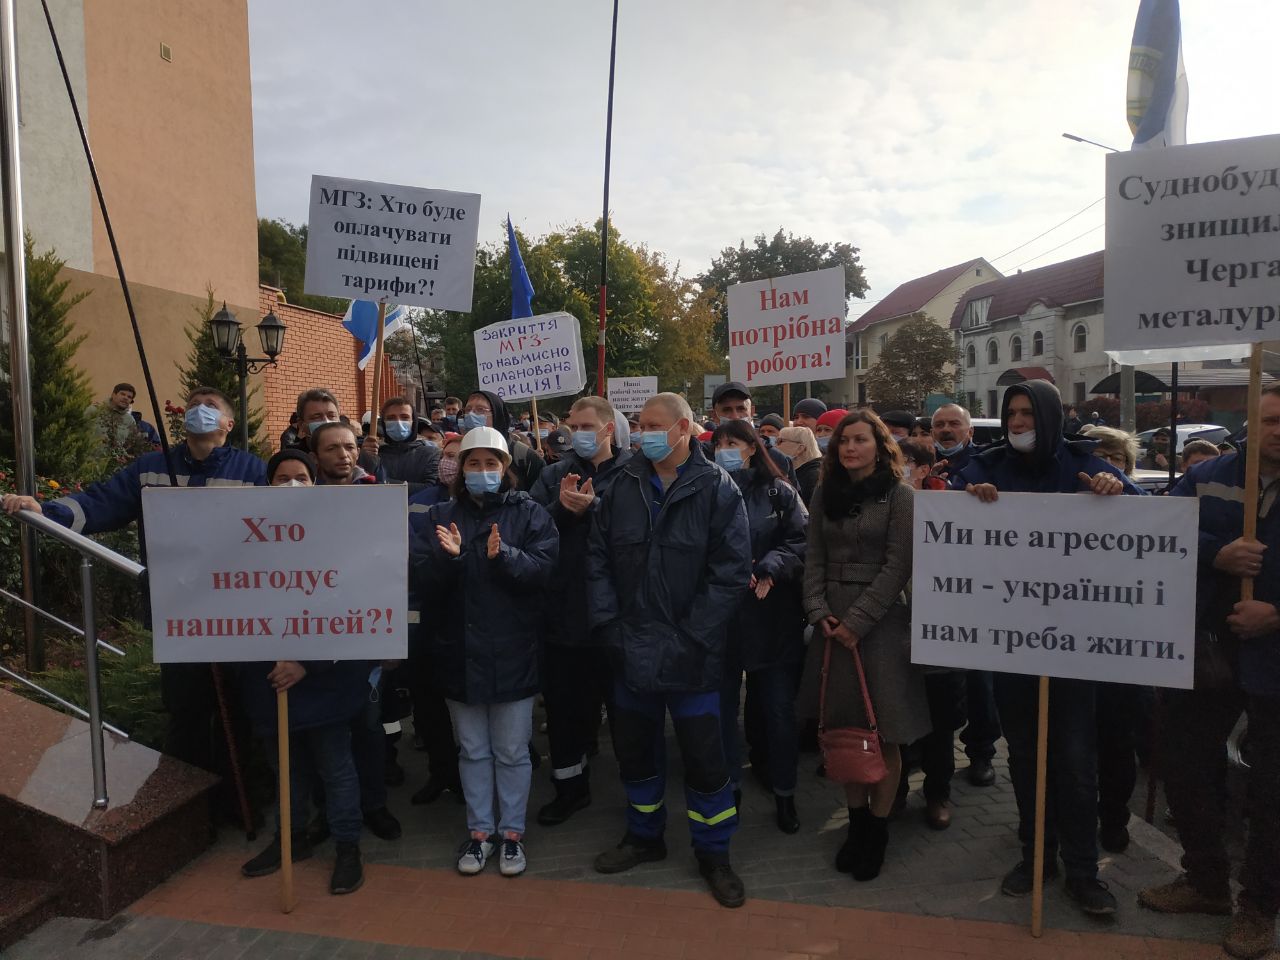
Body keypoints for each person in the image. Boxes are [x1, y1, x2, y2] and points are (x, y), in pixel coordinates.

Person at [951, 379, 1142, 917]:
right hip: (1012, 645)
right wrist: (968, 499)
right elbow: (946, 516)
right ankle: (1036, 857)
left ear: (1051, 416)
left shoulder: (1083, 464)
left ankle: (1083, 872)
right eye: (1011, 413)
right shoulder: (985, 466)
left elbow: (1148, 523)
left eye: (1028, 413)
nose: (1017, 423)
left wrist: (1114, 491)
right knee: (1026, 758)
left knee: (1076, 761)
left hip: (1075, 648)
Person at [3, 386, 266, 771]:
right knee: (185, 711)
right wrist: (46, 510)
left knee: (237, 714)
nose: (199, 410)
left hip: (236, 614)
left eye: (210, 406)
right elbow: (102, 501)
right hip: (177, 612)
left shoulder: (253, 470)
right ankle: (183, 796)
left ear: (228, 423)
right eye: (193, 405)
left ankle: (236, 795)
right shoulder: (149, 468)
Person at [586, 392, 751, 908]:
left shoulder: (717, 487)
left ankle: (714, 854)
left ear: (684, 429)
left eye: (654, 424)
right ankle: (644, 837)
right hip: (630, 650)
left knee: (705, 761)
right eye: (639, 424)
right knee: (635, 754)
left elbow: (730, 573)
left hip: (693, 656)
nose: (643, 433)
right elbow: (597, 561)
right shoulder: (621, 485)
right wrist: (610, 627)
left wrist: (691, 636)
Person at [1139, 383, 1280, 960]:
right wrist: (1215, 553)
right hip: (1208, 649)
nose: (1279, 431)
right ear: (1251, 424)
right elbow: (1162, 527)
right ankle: (1205, 881)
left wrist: (1277, 615)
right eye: (1271, 419)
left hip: (1274, 658)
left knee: (1271, 791)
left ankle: (1260, 907)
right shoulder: (1209, 476)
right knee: (1185, 765)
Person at [411, 426, 559, 877]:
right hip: (458, 652)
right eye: (473, 463)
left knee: (512, 750)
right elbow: (421, 578)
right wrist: (449, 558)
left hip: (513, 651)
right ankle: (480, 833)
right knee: (473, 750)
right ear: (461, 469)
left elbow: (543, 572)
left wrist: (505, 557)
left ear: (505, 467)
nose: (482, 471)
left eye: (490, 463)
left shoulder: (529, 513)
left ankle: (511, 833)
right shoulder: (439, 514)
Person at [797, 411, 929, 881]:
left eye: (860, 439)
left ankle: (877, 831)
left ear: (880, 446)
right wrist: (817, 609)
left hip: (882, 626)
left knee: (884, 733)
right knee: (844, 731)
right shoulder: (824, 492)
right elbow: (813, 556)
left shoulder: (900, 495)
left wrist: (858, 620)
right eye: (843, 441)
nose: (850, 448)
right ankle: (855, 827)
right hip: (831, 623)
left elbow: (900, 565)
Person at [239, 449, 367, 895]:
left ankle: (348, 847)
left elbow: (354, 605)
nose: (292, 484)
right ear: (267, 484)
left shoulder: (340, 534)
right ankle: (289, 841)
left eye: (301, 477)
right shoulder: (246, 539)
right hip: (270, 680)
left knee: (336, 770)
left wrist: (307, 663)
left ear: (315, 484)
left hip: (326, 683)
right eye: (282, 477)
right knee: (286, 771)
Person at [529, 398, 633, 825]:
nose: (578, 434)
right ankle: (570, 790)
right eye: (574, 426)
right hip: (565, 612)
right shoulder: (553, 474)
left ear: (609, 429)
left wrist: (597, 509)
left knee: (627, 712)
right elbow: (531, 528)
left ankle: (639, 794)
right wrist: (561, 510)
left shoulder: (635, 473)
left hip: (620, 614)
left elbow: (645, 528)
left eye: (587, 426)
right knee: (565, 710)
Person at [711, 419, 808, 834]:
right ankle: (729, 789)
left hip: (772, 618)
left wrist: (771, 565)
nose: (725, 450)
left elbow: (801, 540)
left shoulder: (778, 491)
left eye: (733, 442)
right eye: (719, 443)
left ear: (753, 447)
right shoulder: (706, 489)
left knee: (779, 713)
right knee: (721, 713)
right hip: (723, 619)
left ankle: (785, 793)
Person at [1073, 426, 1152, 853]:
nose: (1105, 466)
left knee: (1118, 741)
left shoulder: (1140, 503)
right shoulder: (1059, 505)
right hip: (1070, 647)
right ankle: (1071, 822)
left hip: (1121, 648)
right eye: (1097, 456)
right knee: (1073, 744)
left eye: (1115, 459)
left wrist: (1121, 488)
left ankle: (1115, 818)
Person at [893, 439, 962, 829]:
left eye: (903, 462)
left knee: (940, 722)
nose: (896, 468)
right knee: (897, 717)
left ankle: (938, 793)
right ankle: (896, 790)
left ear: (923, 469)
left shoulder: (950, 507)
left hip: (939, 629)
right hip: (893, 630)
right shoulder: (881, 505)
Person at [930, 402, 999, 783]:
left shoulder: (987, 465)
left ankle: (982, 752)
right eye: (939, 424)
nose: (946, 430)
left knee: (979, 679)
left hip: (978, 588)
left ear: (969, 431)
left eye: (954, 424)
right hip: (934, 586)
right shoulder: (920, 463)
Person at [406, 433, 464, 806]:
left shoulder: (478, 504)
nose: (450, 463)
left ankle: (469, 777)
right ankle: (440, 772)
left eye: (459, 456)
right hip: (423, 616)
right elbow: (409, 551)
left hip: (463, 619)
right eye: (447, 455)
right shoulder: (418, 501)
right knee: (427, 705)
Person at [709, 382, 798, 487]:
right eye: (727, 410)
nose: (735, 416)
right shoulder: (702, 457)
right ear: (714, 416)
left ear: (751, 412)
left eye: (741, 409)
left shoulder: (776, 459)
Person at [459, 390, 545, 491]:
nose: (471, 414)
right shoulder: (461, 451)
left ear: (497, 414)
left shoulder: (525, 456)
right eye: (468, 410)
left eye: (480, 410)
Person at [366, 396, 441, 486]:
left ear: (413, 421)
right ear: (383, 422)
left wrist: (383, 482)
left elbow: (430, 487)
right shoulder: (374, 452)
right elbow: (364, 484)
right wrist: (365, 458)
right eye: (391, 418)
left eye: (405, 417)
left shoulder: (431, 453)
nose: (398, 422)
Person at [312, 422, 378, 485]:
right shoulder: (307, 488)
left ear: (358, 453)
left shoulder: (376, 488)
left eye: (350, 447)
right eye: (331, 449)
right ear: (315, 458)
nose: (343, 455)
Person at [777, 426, 822, 507]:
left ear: (800, 448)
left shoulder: (814, 476)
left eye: (780, 441)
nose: (775, 446)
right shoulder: (797, 472)